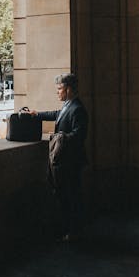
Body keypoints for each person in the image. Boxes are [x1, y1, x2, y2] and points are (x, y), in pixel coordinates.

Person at [32, 73, 88, 242]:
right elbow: (56, 114)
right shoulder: (67, 105)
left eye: (59, 89)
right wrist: (36, 114)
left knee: (71, 197)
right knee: (66, 196)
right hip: (65, 162)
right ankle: (68, 230)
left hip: (71, 162)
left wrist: (59, 136)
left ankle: (73, 232)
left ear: (69, 89)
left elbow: (79, 136)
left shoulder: (78, 109)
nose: (57, 92)